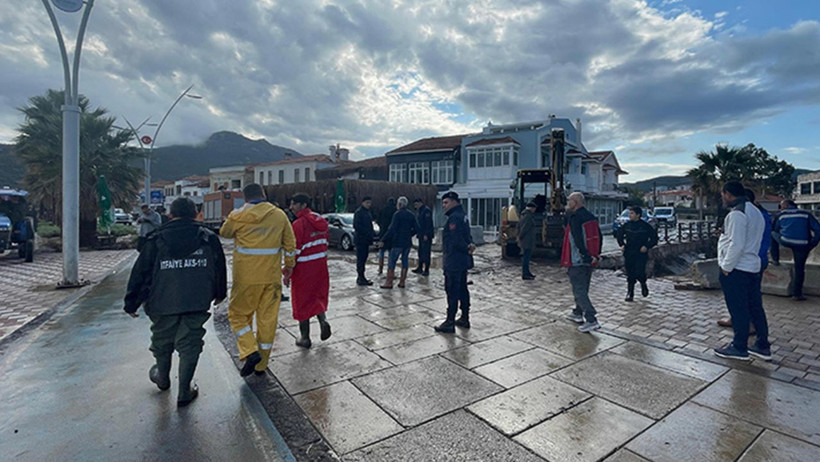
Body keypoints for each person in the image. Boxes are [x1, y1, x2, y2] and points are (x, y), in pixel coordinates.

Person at [123, 197, 227, 407]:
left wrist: (132, 302)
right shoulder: (208, 237)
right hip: (197, 299)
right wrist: (219, 293)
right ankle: (184, 391)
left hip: (162, 300)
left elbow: (141, 272)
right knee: (190, 342)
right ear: (195, 214)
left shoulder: (155, 239)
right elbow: (219, 267)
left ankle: (162, 378)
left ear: (170, 215)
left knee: (162, 339)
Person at [220, 184, 296, 377]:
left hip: (245, 277)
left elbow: (224, 233)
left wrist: (231, 218)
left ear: (245, 198)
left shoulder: (238, 215)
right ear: (263, 195)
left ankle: (249, 350)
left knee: (238, 315)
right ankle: (261, 366)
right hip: (271, 278)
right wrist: (289, 267)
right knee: (267, 320)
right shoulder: (279, 215)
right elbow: (290, 244)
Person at [713, 181, 771, 361]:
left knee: (738, 308)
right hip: (752, 266)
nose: (723, 198)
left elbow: (736, 244)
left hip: (737, 268)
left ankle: (739, 347)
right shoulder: (755, 211)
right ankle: (762, 345)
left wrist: (726, 267)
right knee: (755, 307)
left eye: (723, 195)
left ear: (728, 194)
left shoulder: (737, 214)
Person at [285, 193, 331, 348]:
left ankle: (305, 338)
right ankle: (323, 321)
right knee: (317, 297)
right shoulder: (321, 221)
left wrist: (287, 271)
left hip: (303, 269)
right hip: (320, 267)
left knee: (302, 301)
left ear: (303, 205)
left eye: (294, 204)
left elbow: (294, 251)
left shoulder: (298, 224)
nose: (291, 207)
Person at [434, 191, 475, 333]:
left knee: (452, 290)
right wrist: (469, 246)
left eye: (446, 202)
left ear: (454, 202)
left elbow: (455, 239)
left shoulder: (454, 218)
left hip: (454, 260)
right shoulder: (462, 216)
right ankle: (464, 317)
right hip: (462, 260)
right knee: (462, 288)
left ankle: (450, 321)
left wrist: (466, 247)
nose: (443, 206)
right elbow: (467, 236)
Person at [562, 192, 602, 333]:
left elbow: (577, 240)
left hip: (578, 259)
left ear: (576, 202)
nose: (567, 202)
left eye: (569, 200)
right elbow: (599, 236)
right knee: (583, 288)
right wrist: (595, 255)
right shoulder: (591, 216)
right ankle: (578, 312)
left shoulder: (575, 218)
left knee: (579, 290)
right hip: (590, 258)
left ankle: (591, 319)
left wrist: (585, 256)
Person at [771, 199, 820, 301]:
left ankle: (775, 259)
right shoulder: (806, 214)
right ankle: (797, 294)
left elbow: (776, 229)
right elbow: (817, 229)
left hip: (786, 240)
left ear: (786, 205)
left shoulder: (781, 215)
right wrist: (812, 243)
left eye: (781, 206)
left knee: (772, 234)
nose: (780, 208)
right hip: (802, 243)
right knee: (799, 268)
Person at [615, 205, 658, 301]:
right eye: (629, 213)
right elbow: (619, 235)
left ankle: (643, 284)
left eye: (632, 213)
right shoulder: (627, 225)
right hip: (629, 252)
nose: (629, 215)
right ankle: (630, 293)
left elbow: (654, 239)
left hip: (640, 253)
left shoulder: (645, 226)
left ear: (638, 215)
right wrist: (621, 244)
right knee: (630, 273)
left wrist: (646, 246)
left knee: (640, 272)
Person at [379, 196, 417, 289]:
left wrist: (383, 239)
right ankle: (402, 282)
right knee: (405, 261)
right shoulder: (411, 215)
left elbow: (392, 229)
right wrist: (409, 234)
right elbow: (417, 228)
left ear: (399, 204)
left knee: (392, 262)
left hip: (397, 242)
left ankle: (389, 282)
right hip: (407, 242)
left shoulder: (397, 215)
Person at [353, 196, 375, 286]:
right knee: (361, 259)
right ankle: (361, 277)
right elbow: (356, 225)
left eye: (370, 203)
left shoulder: (367, 212)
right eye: (367, 203)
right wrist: (366, 232)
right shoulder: (359, 212)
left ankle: (361, 277)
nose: (369, 205)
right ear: (363, 203)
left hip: (366, 240)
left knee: (364, 258)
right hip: (361, 239)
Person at [413, 198, 434, 276]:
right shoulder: (420, 211)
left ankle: (426, 269)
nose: (415, 206)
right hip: (421, 235)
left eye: (416, 204)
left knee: (426, 252)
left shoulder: (426, 211)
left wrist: (426, 234)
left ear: (420, 203)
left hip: (426, 235)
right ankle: (420, 267)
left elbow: (428, 224)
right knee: (421, 252)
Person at [516, 201, 537, 280]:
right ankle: (525, 274)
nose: (535, 210)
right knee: (526, 258)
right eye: (534, 208)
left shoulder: (523, 215)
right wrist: (520, 237)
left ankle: (527, 272)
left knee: (526, 257)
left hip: (525, 240)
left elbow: (518, 226)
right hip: (527, 240)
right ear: (531, 208)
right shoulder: (528, 216)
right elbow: (524, 228)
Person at [376, 197, 397, 275]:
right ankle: (390, 270)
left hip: (382, 234)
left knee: (381, 252)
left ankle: (380, 269)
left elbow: (377, 220)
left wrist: (381, 226)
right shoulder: (395, 211)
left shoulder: (383, 209)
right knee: (391, 254)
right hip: (391, 235)